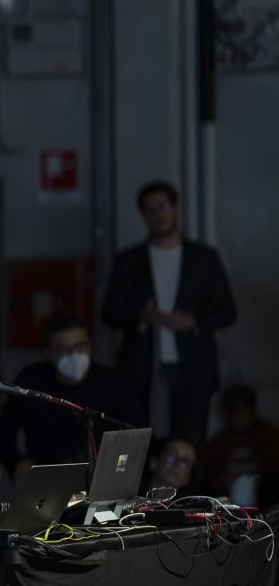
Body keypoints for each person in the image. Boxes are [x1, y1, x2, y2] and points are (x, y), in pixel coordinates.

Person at [102, 180, 237, 446]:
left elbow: (228, 311)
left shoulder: (203, 258)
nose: (158, 214)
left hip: (192, 365)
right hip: (141, 366)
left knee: (191, 441)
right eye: (150, 209)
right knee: (138, 442)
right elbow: (109, 313)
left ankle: (191, 489)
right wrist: (140, 317)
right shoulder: (128, 261)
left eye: (163, 206)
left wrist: (194, 322)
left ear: (175, 208)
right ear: (143, 214)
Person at [0, 312, 134, 484]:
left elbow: (135, 431)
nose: (75, 355)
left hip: (101, 480)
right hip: (46, 481)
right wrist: (18, 463)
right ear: (50, 352)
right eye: (65, 350)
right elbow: (2, 437)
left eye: (81, 346)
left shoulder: (111, 382)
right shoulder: (31, 380)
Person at [204, 385, 279, 509]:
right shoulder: (218, 442)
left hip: (265, 499)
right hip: (229, 501)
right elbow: (210, 475)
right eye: (232, 409)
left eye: (242, 408)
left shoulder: (269, 435)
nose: (238, 414)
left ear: (251, 409)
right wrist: (222, 482)